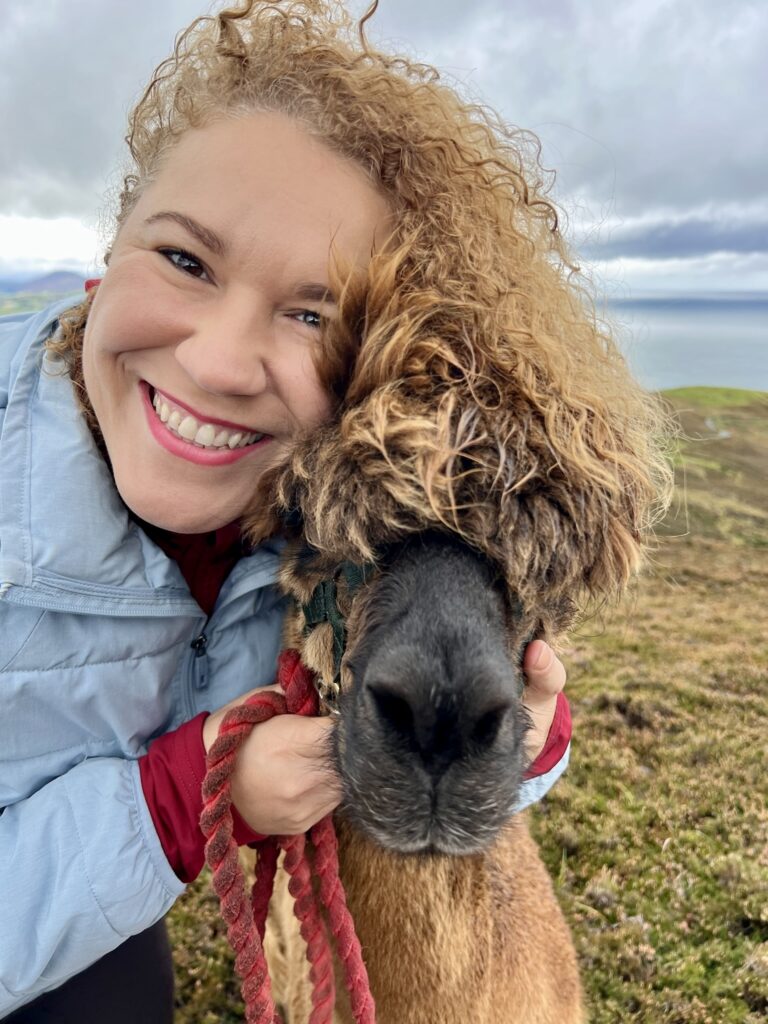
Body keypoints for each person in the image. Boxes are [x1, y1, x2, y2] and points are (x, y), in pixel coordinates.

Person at [0, 1, 670, 1020]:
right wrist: (177, 803)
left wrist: (525, 725)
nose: (220, 363)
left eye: (313, 314)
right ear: (107, 257)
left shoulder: (282, 510)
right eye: (185, 259)